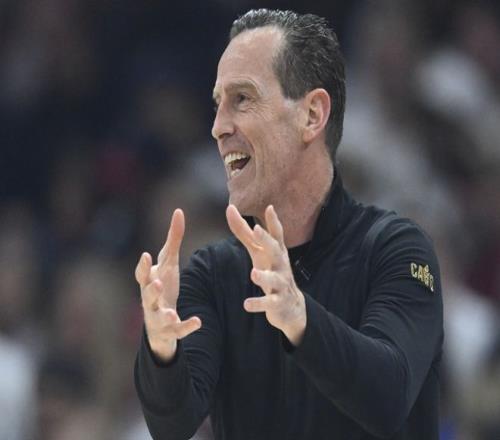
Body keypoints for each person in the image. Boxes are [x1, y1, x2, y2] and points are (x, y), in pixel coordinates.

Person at [134, 9, 443, 440]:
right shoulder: (214, 273)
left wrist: (301, 319)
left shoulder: (398, 251)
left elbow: (389, 395)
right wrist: (162, 351)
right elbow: (173, 424)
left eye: (242, 99)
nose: (218, 127)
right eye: (218, 104)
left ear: (312, 115)